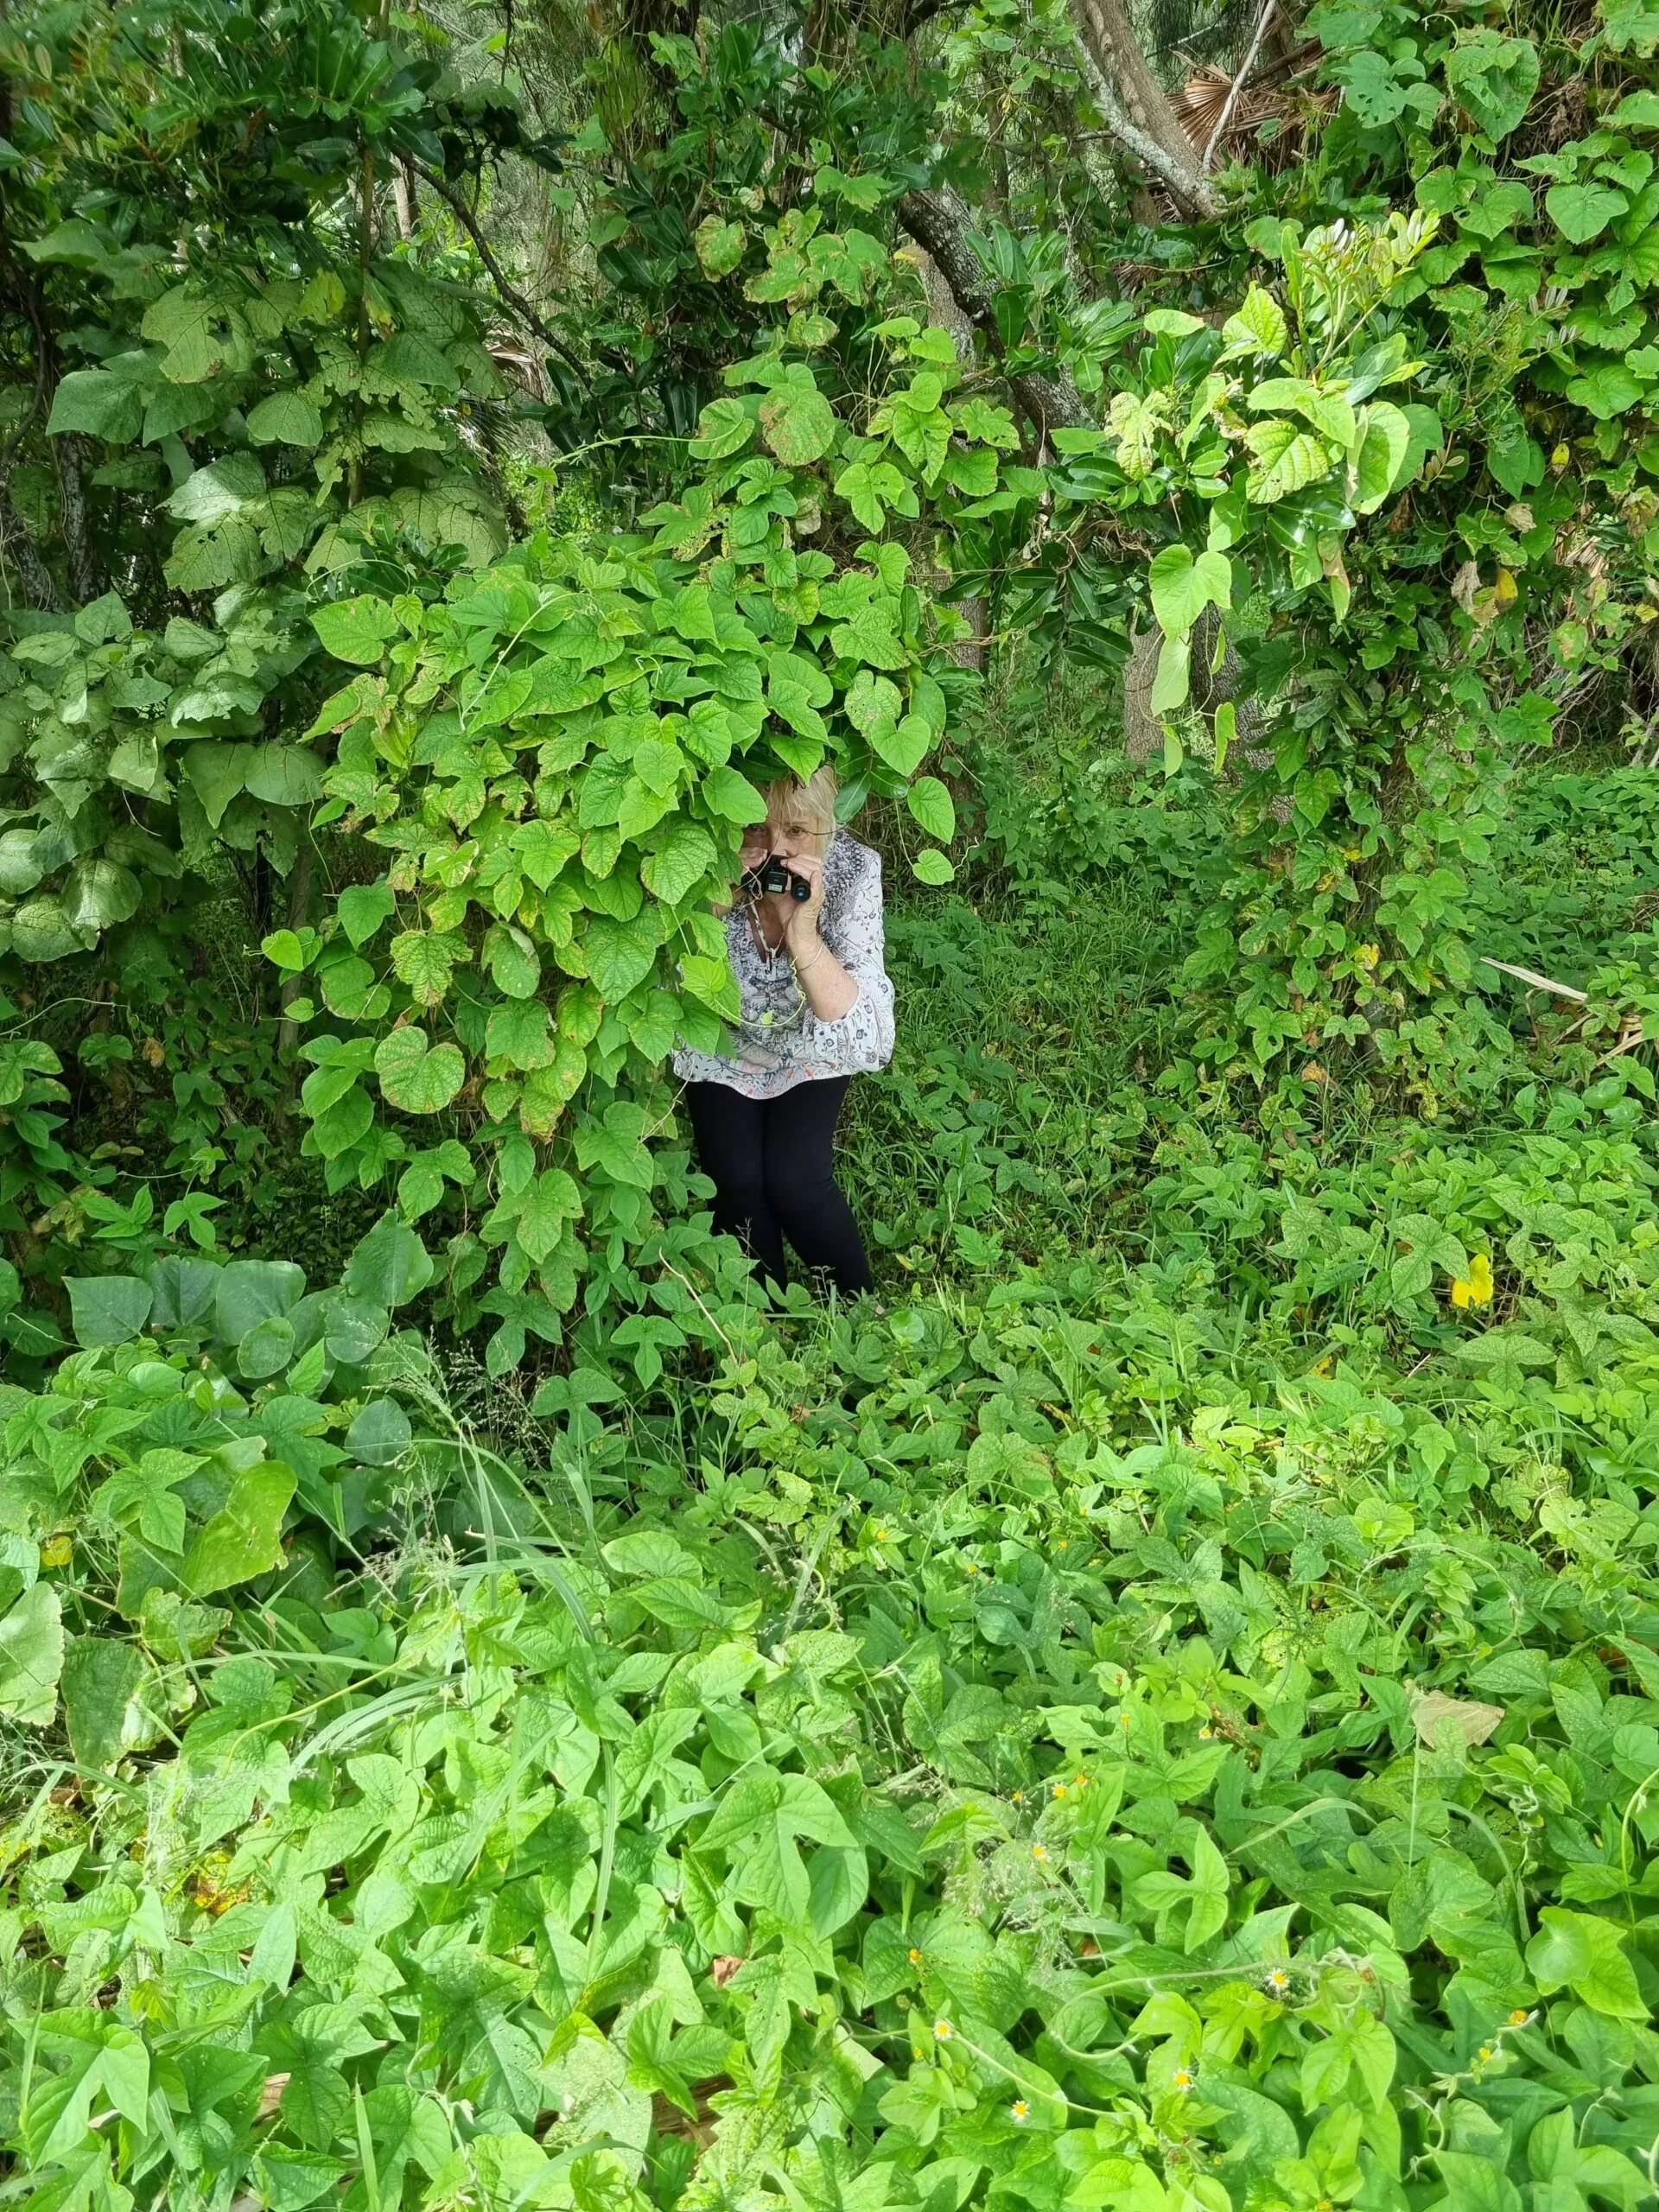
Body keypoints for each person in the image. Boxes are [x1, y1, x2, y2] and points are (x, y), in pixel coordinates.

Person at [672, 764, 893, 1298]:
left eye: (796, 832)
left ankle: (860, 1316)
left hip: (813, 1043)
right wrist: (713, 905)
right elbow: (667, 988)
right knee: (737, 1180)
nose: (774, 850)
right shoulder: (701, 870)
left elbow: (870, 1039)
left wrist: (803, 932)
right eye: (755, 828)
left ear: (828, 825)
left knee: (797, 1180)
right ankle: (760, 1329)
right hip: (724, 1045)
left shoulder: (853, 871)